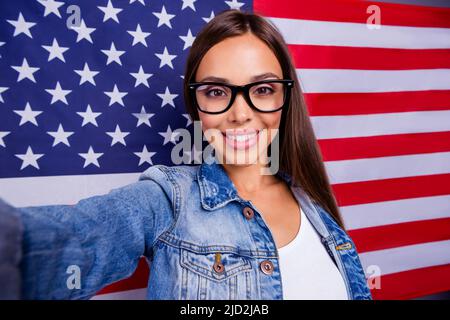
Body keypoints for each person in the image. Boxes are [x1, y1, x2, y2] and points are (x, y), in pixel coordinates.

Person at [0, 9, 372, 300]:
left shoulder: (315, 207)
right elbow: (64, 242)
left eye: (261, 89)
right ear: (195, 105)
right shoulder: (167, 199)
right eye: (215, 92)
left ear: (284, 98)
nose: (240, 113)